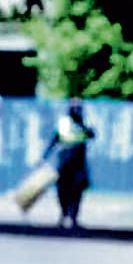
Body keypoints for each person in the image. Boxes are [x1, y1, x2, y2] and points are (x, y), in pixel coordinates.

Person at [42, 98, 95, 228]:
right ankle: (63, 215)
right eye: (75, 108)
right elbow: (54, 139)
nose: (77, 111)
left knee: (77, 190)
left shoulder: (85, 123)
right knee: (62, 190)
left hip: (79, 163)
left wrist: (83, 125)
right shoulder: (64, 122)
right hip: (65, 161)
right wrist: (44, 157)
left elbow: (92, 135)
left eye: (79, 108)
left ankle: (74, 217)